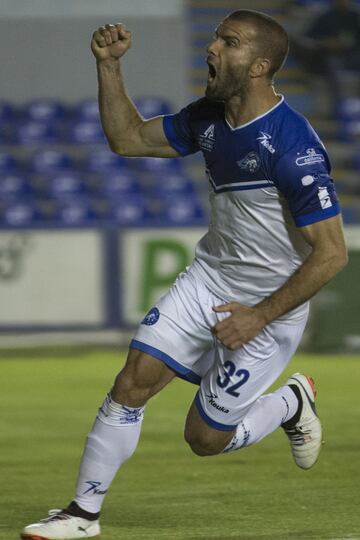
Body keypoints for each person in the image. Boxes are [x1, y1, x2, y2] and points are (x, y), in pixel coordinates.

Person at [21, 9, 348, 540]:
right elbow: (127, 139)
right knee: (132, 381)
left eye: (230, 42)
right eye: (216, 37)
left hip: (266, 308)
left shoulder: (294, 147)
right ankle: (82, 515)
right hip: (208, 281)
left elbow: (332, 255)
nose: (213, 48)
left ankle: (291, 401)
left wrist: (258, 317)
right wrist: (109, 67)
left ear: (261, 65)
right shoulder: (209, 117)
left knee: (203, 439)